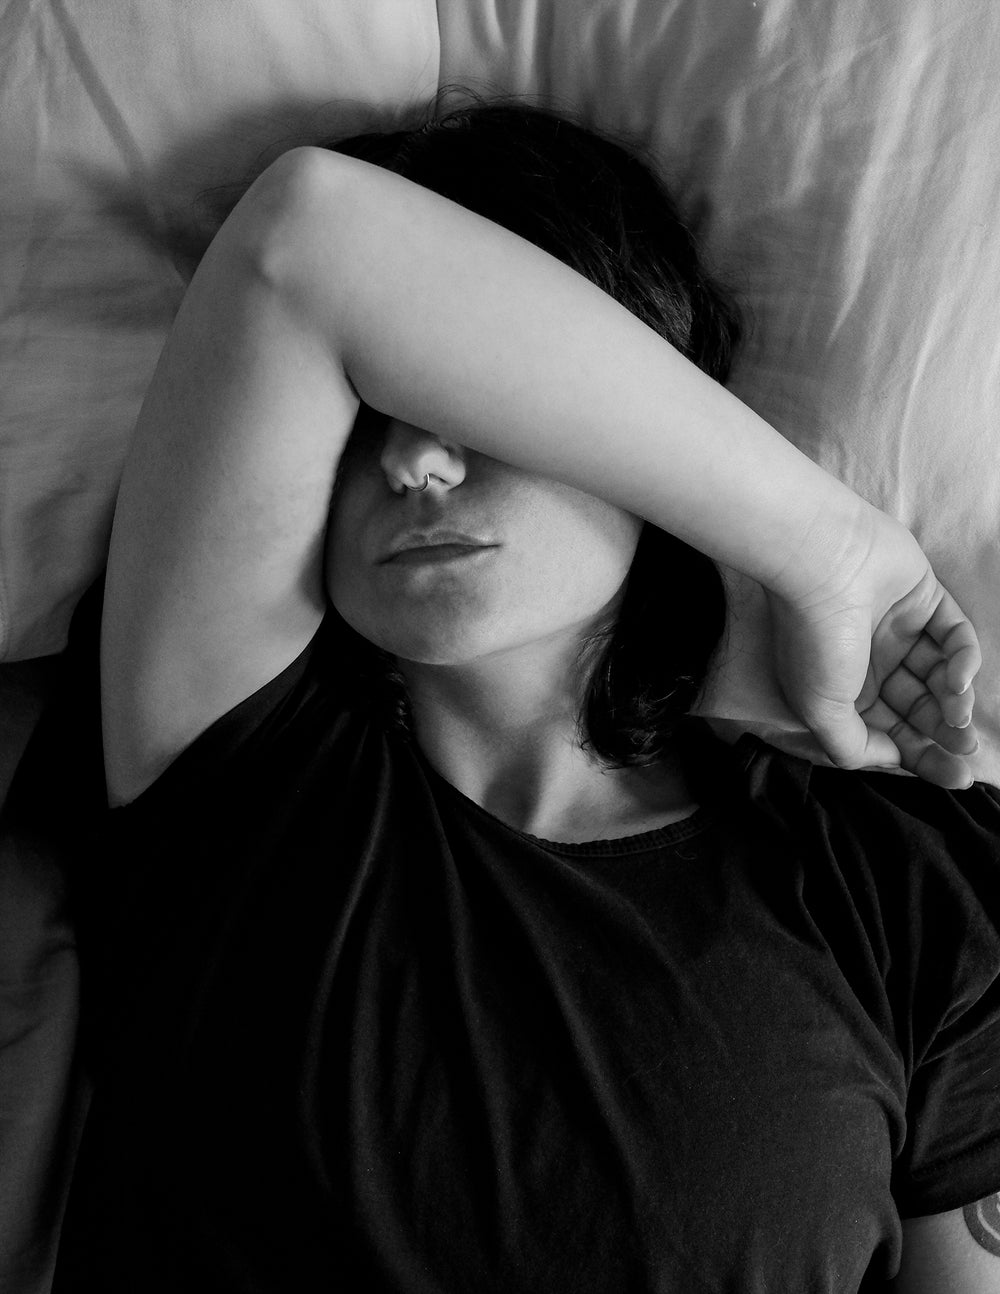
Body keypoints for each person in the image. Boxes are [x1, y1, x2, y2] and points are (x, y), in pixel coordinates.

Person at [49, 95, 1000, 1291]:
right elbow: (309, 241)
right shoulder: (230, 763)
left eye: (475, 400)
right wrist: (830, 555)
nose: (410, 459)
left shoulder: (901, 877)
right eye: (359, 414)